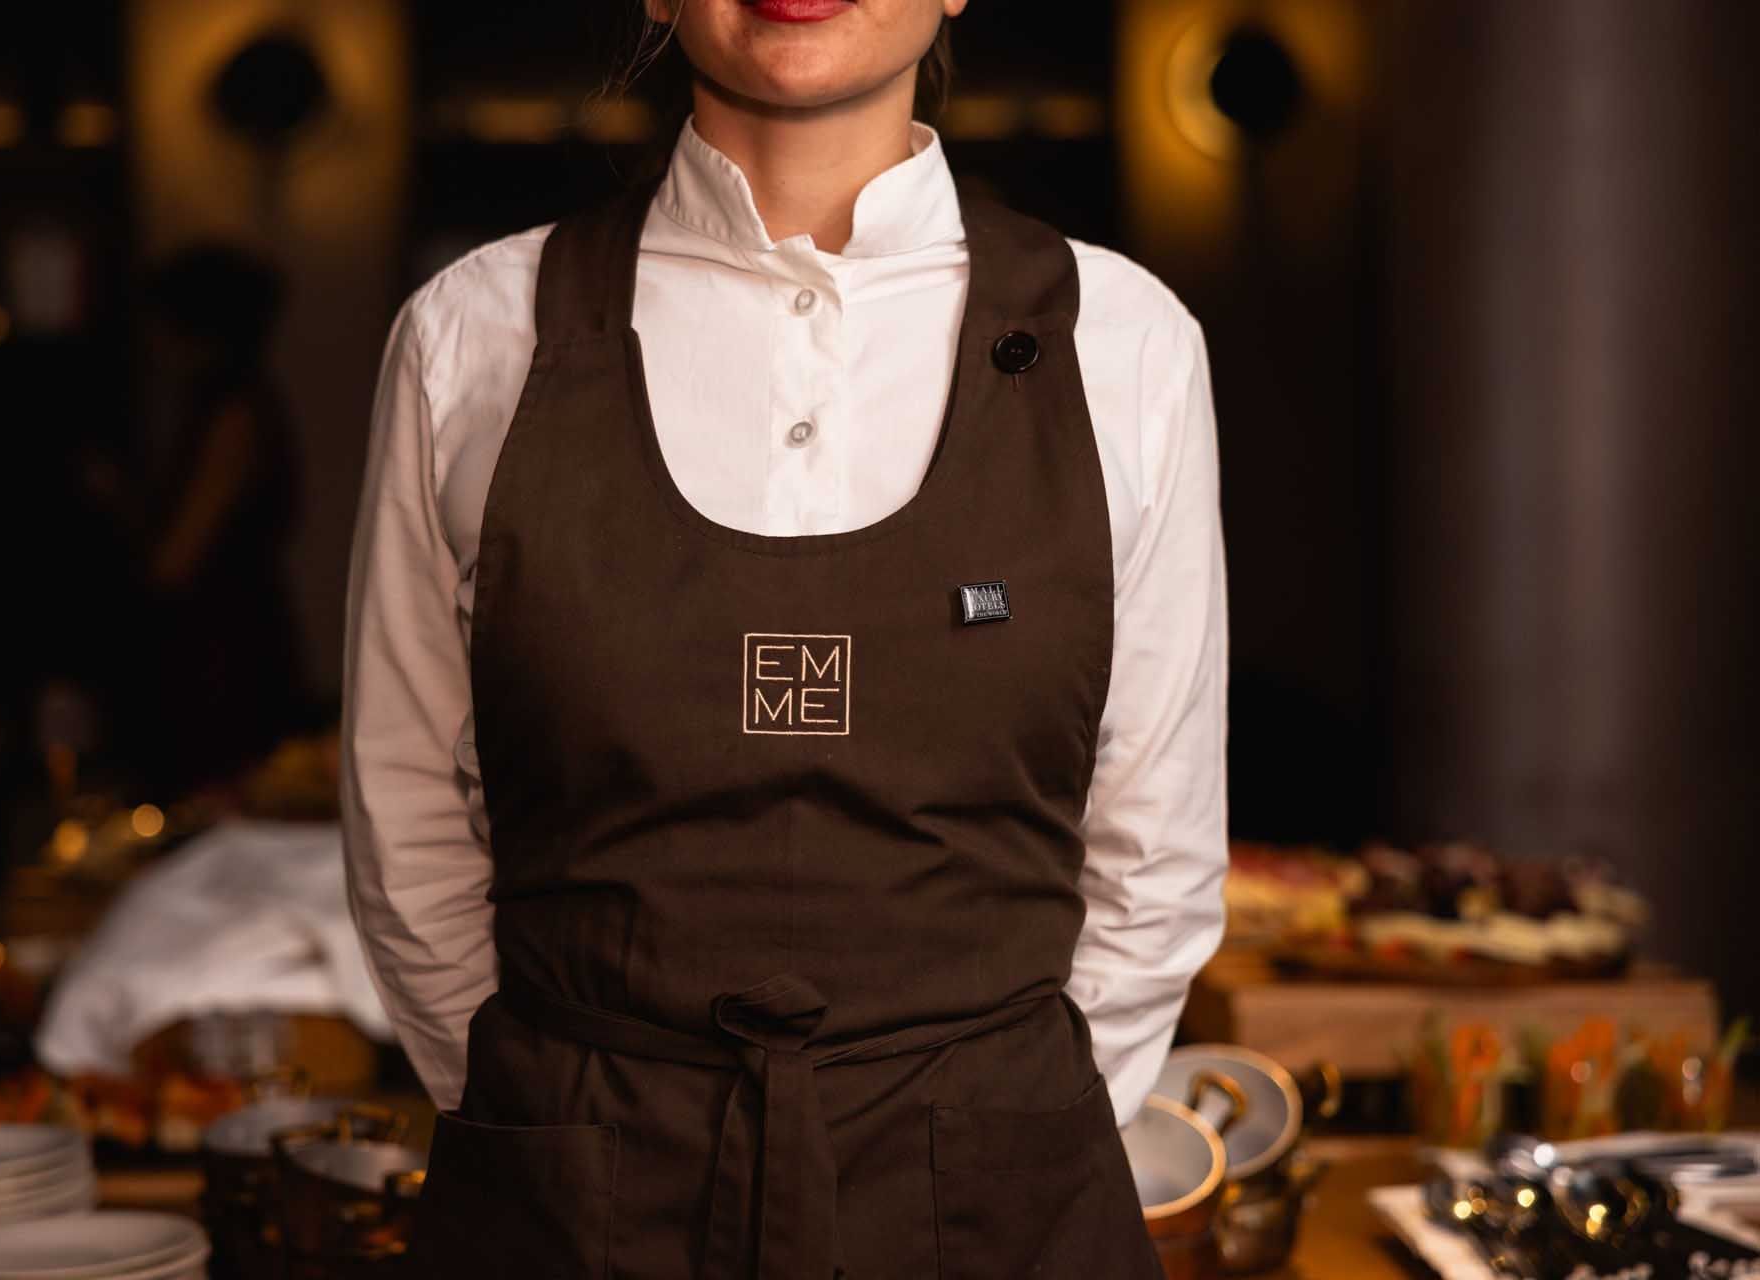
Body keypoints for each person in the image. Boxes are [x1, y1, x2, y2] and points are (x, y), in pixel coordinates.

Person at [341, 1, 1228, 1274]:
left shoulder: (1129, 344)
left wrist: (1001, 1127)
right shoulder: (470, 335)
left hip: (998, 1207)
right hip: (569, 1201)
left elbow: (1156, 851)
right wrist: (544, 1115)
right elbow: (405, 815)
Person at [131, 244, 307, 797]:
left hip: (224, 659)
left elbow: (175, 560)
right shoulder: (232, 407)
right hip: (228, 648)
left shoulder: (234, 414)